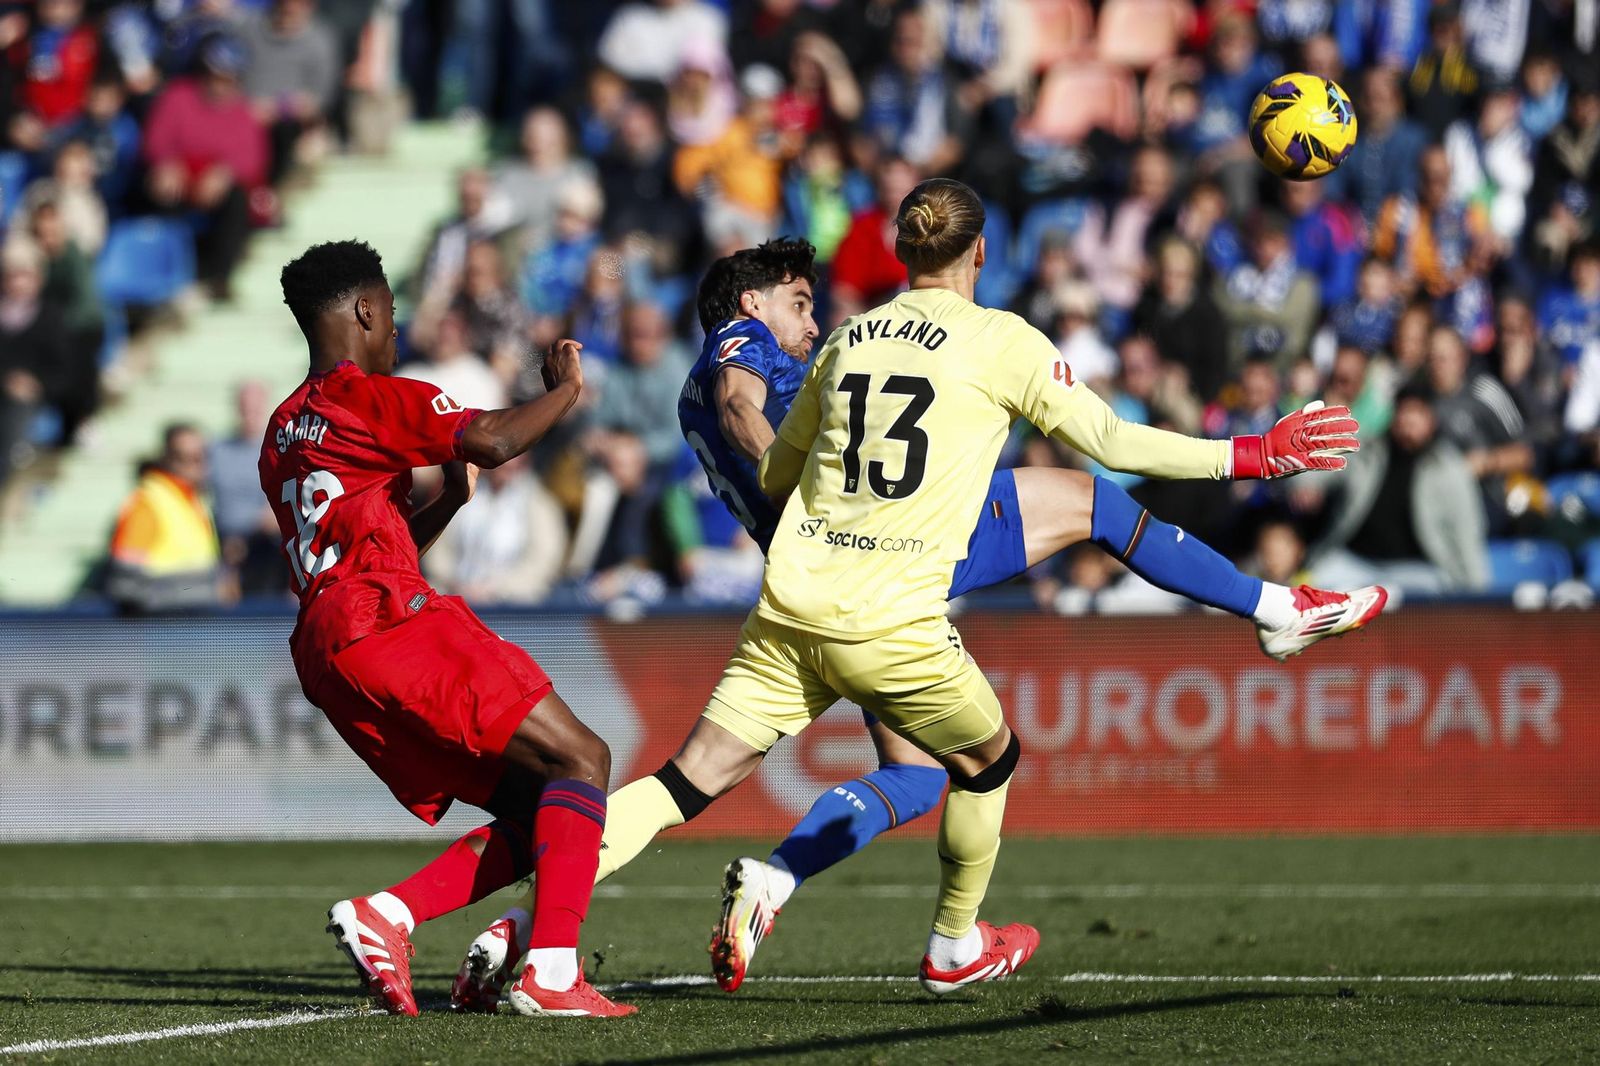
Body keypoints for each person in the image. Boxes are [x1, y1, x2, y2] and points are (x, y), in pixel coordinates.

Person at [450, 214, 1381, 1004]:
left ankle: (543, 924)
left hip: (807, 588)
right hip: (878, 552)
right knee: (1088, 512)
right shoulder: (741, 351)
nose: (813, 318)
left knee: (789, 779)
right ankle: (1269, 609)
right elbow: (740, 404)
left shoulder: (814, 354)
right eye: (798, 301)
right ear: (751, 304)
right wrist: (1251, 454)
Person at [257, 240, 632, 1018]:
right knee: (584, 756)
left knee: (542, 804)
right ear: (365, 310)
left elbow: (361, 545)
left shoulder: (283, 430)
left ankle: (388, 916)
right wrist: (565, 393)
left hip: (329, 648)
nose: (395, 329)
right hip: (386, 620)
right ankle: (552, 972)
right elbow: (492, 440)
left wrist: (449, 505)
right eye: (390, 312)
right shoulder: (367, 395)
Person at [106, 423, 225, 613]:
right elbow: (125, 585)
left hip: (190, 626)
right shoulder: (147, 503)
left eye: (202, 456)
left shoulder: (193, 501)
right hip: (161, 629)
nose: (199, 464)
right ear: (167, 459)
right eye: (187, 458)